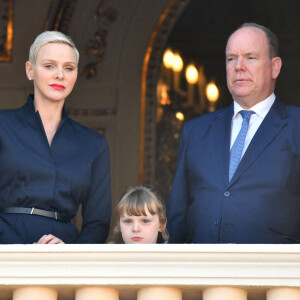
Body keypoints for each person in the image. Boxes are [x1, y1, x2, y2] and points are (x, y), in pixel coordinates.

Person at [167, 23, 300, 243]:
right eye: (231, 58)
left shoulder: (296, 125)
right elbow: (178, 215)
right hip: (203, 270)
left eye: (250, 57)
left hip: (275, 272)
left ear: (275, 67)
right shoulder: (196, 131)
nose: (239, 66)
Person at [0, 31, 111, 244]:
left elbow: (98, 222)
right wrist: (20, 250)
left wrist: (70, 255)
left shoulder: (94, 144)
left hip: (66, 255)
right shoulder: (3, 126)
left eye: (68, 68)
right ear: (30, 70)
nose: (59, 74)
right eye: (49, 65)